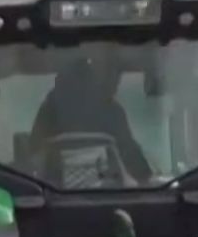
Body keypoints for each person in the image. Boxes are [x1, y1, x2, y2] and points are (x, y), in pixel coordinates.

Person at [27, 56, 153, 184]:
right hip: (105, 192)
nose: (116, 84)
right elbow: (130, 154)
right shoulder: (111, 110)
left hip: (53, 192)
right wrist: (147, 178)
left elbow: (33, 153)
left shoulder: (49, 107)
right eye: (114, 78)